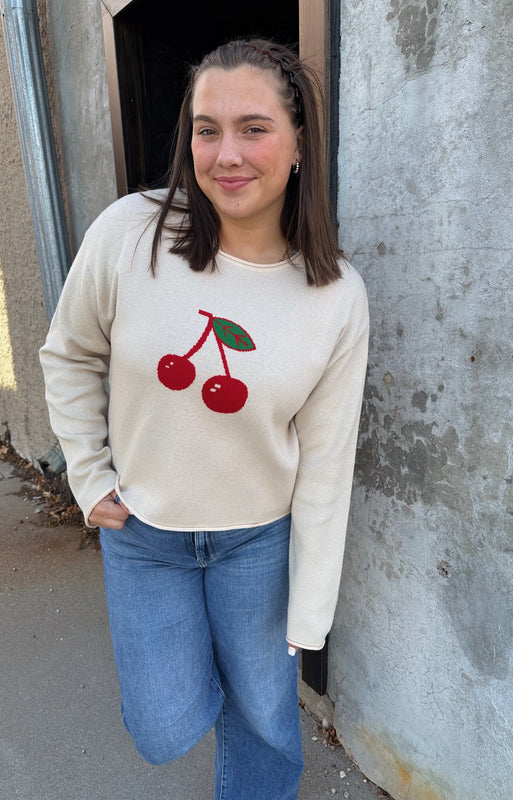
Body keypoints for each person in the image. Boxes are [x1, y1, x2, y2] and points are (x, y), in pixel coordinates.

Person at [40, 38, 369, 800]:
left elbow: (325, 462)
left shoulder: (334, 296)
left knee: (263, 717)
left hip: (257, 542)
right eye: (206, 128)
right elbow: (68, 353)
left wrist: (308, 612)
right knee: (161, 726)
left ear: (296, 147)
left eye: (253, 128)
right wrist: (89, 480)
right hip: (143, 535)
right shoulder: (132, 232)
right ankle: (220, 682)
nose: (226, 154)